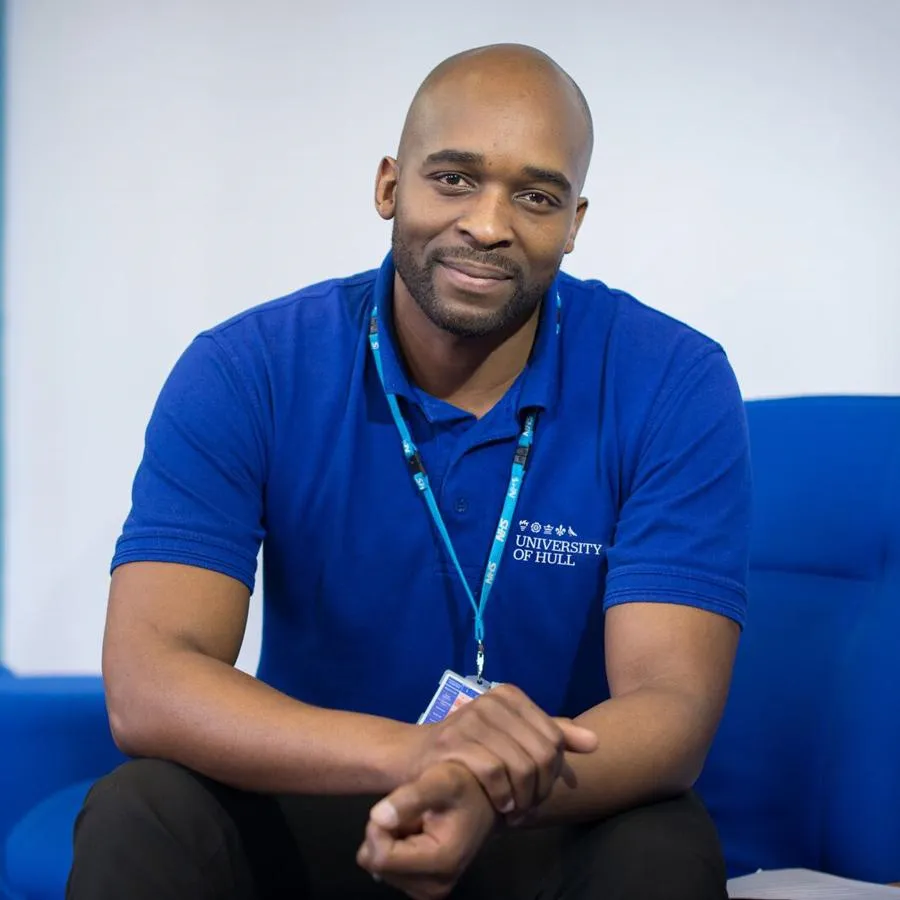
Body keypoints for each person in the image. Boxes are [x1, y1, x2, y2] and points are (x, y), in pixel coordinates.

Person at [67, 43, 751, 900]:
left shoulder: (672, 379)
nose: (489, 225)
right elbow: (149, 682)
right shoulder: (248, 368)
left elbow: (670, 708)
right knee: (143, 810)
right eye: (454, 179)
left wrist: (477, 784)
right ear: (389, 186)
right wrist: (418, 755)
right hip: (322, 795)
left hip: (545, 810)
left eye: (536, 197)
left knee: (664, 844)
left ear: (574, 223)